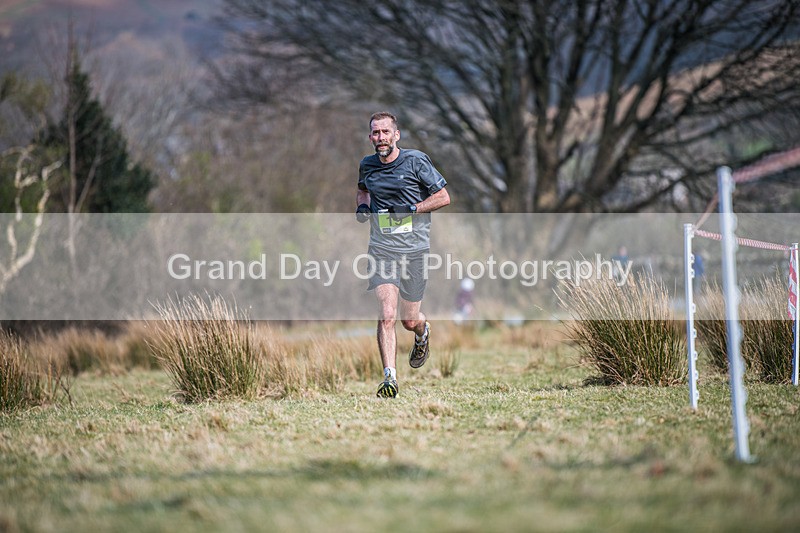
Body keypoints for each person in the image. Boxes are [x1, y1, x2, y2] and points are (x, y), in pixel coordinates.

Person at [355, 111, 451, 398]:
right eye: (375, 132)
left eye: (385, 132)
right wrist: (362, 207)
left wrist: (411, 209)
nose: (380, 137)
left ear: (396, 135)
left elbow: (444, 197)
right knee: (386, 315)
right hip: (382, 249)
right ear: (370, 136)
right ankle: (389, 379)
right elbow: (362, 191)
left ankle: (422, 332)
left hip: (415, 251)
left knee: (408, 320)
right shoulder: (367, 165)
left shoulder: (416, 161)